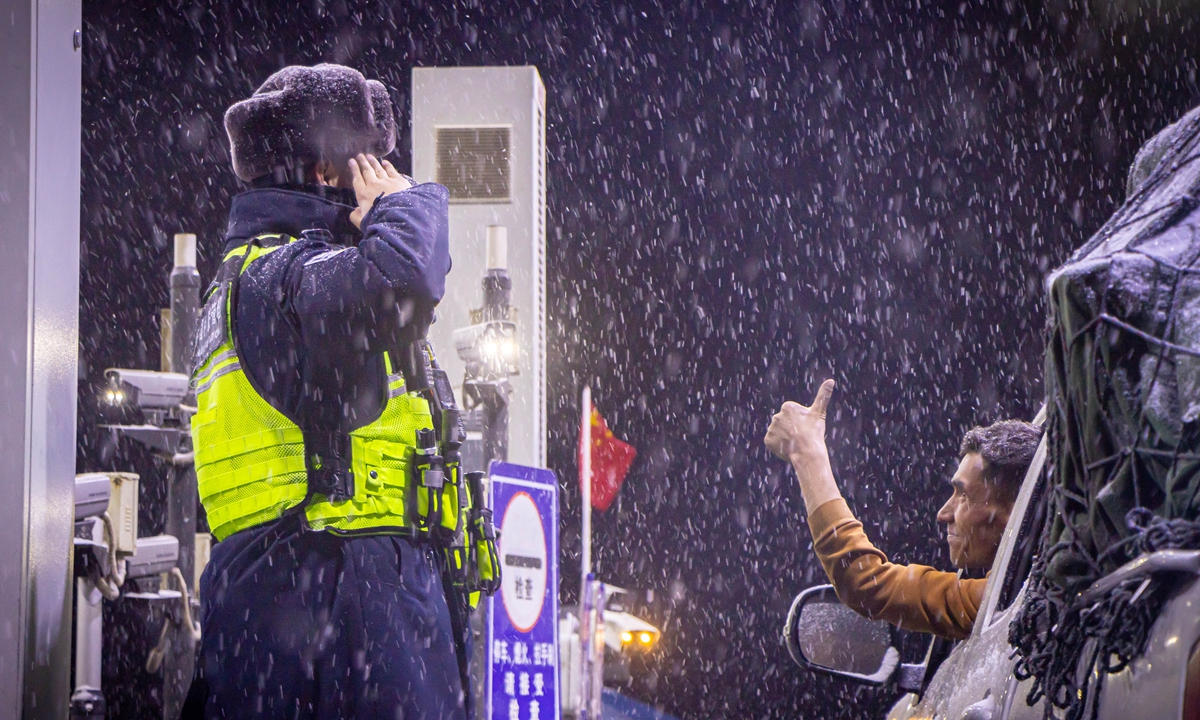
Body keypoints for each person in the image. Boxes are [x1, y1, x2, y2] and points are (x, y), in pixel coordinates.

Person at [183, 64, 489, 720]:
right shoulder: (286, 276)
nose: (380, 172)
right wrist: (405, 205)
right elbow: (403, 277)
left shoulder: (250, 278)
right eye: (369, 160)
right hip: (345, 605)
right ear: (328, 171)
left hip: (285, 602)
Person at [764, 380, 1041, 639]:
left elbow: (866, 582)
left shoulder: (1002, 598)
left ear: (1017, 511)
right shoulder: (1027, 592)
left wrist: (807, 453)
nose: (943, 514)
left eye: (964, 496)